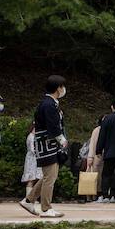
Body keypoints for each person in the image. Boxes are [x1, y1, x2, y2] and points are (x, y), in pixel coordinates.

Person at [22, 75, 68, 218]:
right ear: (57, 88)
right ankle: (46, 208)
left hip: (46, 144)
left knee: (49, 176)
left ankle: (29, 200)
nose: (64, 89)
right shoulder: (49, 104)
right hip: (47, 144)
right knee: (50, 177)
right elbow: (53, 126)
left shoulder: (49, 103)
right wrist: (62, 140)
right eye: (62, 86)